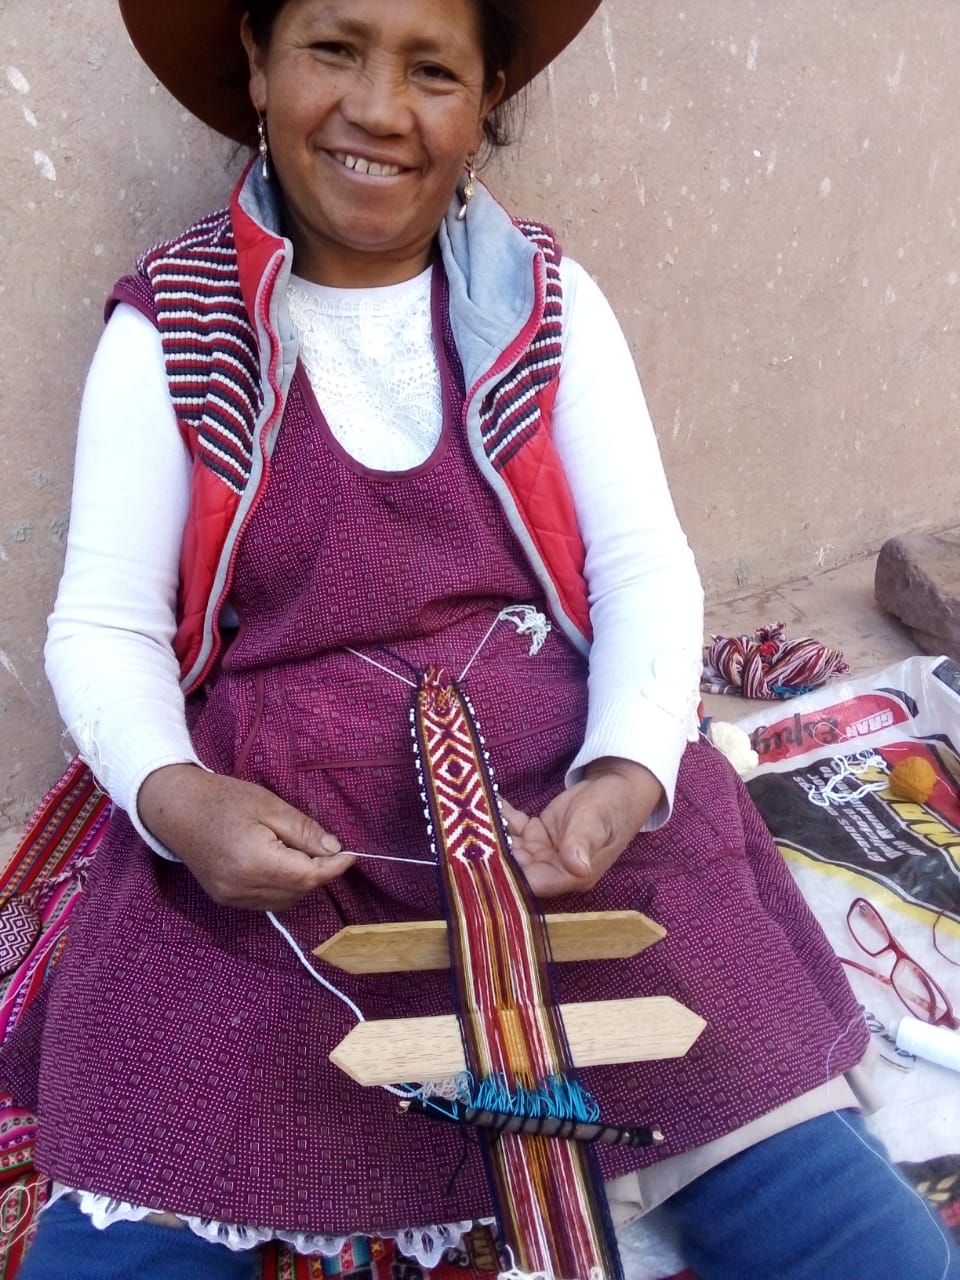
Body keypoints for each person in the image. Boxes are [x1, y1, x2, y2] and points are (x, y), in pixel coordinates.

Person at [5, 1, 958, 1277]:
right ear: (256, 60)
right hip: (286, 847)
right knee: (135, 1216)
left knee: (838, 1224)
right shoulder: (173, 330)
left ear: (486, 96)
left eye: (433, 70)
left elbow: (640, 571)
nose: (378, 110)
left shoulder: (546, 305)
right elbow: (104, 623)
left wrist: (623, 777)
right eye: (333, 49)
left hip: (556, 816)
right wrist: (179, 803)